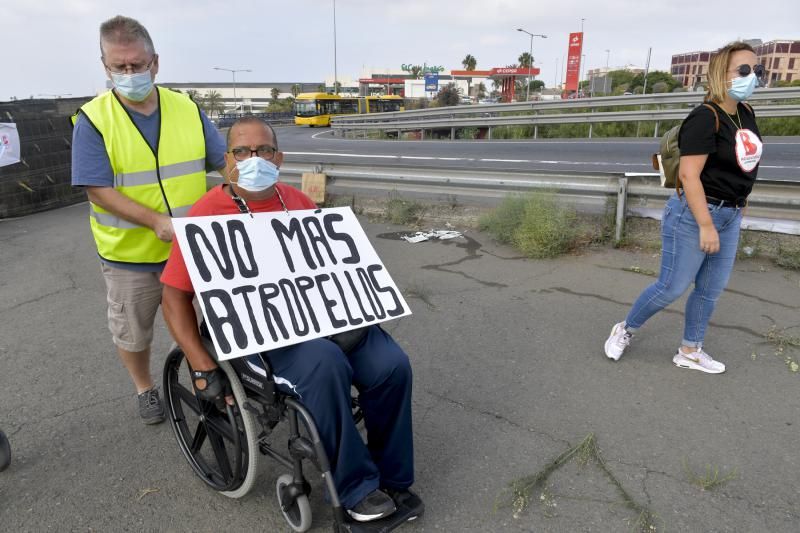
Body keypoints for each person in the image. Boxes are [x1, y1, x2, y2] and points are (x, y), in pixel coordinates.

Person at [160, 117, 420, 522]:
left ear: (278, 158)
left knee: (391, 364)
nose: (253, 159)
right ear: (228, 160)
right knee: (325, 364)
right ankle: (356, 489)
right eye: (242, 152)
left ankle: (393, 474)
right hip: (259, 334)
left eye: (263, 151)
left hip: (320, 317)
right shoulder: (204, 214)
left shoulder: (297, 202)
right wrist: (199, 361)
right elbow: (173, 296)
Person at [71, 15, 226, 423]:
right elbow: (96, 189)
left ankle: (201, 374)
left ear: (154, 62)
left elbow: (224, 163)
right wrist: (155, 220)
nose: (129, 73)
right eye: (118, 67)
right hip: (129, 253)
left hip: (192, 246)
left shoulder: (186, 108)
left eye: (137, 65)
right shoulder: (93, 119)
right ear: (104, 65)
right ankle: (144, 387)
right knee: (133, 332)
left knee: (199, 323)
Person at [604, 41, 765, 373]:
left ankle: (690, 350)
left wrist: (740, 201)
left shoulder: (745, 113)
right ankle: (625, 329)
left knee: (710, 289)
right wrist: (706, 224)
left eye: (758, 70)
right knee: (671, 287)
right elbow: (690, 176)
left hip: (729, 213)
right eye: (744, 70)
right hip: (695, 214)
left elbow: (742, 164)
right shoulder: (705, 118)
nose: (753, 76)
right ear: (722, 74)